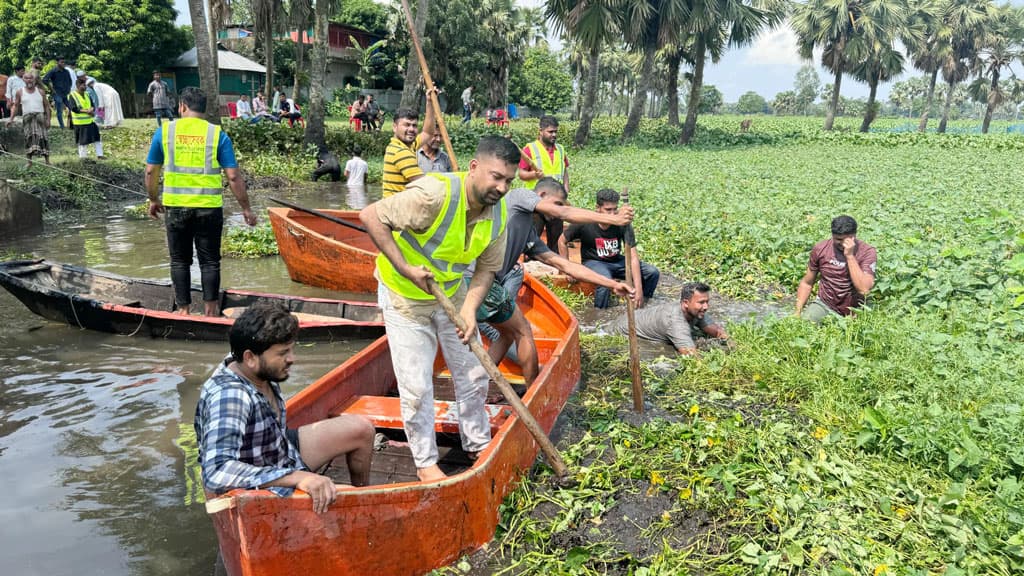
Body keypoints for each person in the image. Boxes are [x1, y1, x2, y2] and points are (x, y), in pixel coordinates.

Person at [358, 135, 519, 482]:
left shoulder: (499, 212)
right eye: (496, 177)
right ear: (474, 167)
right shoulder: (434, 194)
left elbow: (487, 269)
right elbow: (370, 215)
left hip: (452, 291)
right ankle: (425, 462)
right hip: (405, 297)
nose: (502, 187)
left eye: (509, 180)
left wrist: (470, 311)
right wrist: (405, 268)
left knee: (474, 371)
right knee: (416, 384)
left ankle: (476, 442)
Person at [195, 300, 374, 514]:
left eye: (291, 349)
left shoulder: (252, 365)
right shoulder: (231, 396)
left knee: (361, 429)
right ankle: (360, 507)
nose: (292, 359)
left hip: (278, 452)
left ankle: (367, 495)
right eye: (282, 353)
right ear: (250, 358)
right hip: (254, 486)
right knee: (346, 503)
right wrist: (299, 478)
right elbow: (216, 472)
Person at [476, 177, 636, 383]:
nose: (558, 209)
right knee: (522, 330)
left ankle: (480, 384)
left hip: (489, 285)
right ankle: (535, 389)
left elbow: (565, 265)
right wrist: (615, 219)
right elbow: (564, 213)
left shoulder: (530, 236)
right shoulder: (520, 196)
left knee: (507, 334)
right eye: (557, 203)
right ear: (542, 196)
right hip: (476, 278)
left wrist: (613, 284)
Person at [144, 86, 258, 317]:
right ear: (204, 110)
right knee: (210, 261)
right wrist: (246, 209)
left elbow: (150, 172)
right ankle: (211, 311)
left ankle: (184, 310)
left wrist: (154, 199)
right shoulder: (217, 134)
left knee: (179, 260)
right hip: (209, 209)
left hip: (176, 207)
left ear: (182, 106)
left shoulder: (165, 132)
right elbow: (233, 176)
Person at [559, 188, 659, 309]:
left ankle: (642, 305)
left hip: (616, 261)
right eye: (608, 210)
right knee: (605, 280)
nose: (612, 214)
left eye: (614, 210)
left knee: (652, 273)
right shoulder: (585, 222)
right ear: (598, 208)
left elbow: (633, 258)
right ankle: (600, 312)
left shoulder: (622, 224)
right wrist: (567, 268)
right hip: (594, 262)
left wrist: (638, 290)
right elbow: (562, 241)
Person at [610, 282, 729, 356]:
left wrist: (732, 344)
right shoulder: (675, 322)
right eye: (702, 302)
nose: (706, 307)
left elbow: (718, 332)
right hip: (620, 330)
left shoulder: (696, 311)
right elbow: (691, 356)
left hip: (638, 317)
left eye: (707, 302)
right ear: (686, 303)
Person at [795, 215, 877, 322]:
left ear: (854, 236)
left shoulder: (867, 252)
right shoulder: (821, 249)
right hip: (826, 304)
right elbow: (807, 283)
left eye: (846, 240)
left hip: (856, 308)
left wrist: (850, 256)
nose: (842, 244)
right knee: (805, 323)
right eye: (838, 239)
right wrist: (797, 311)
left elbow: (864, 289)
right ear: (832, 235)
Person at [518, 116, 569, 252]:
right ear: (541, 131)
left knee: (556, 238)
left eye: (555, 132)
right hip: (536, 203)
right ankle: (530, 265)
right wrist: (534, 175)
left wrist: (565, 189)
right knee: (532, 238)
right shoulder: (530, 149)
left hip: (556, 202)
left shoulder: (561, 150)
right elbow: (521, 174)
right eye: (550, 132)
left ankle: (555, 265)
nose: (554, 135)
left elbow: (564, 171)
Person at [382, 103, 436, 198]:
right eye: (407, 125)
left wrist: (429, 103)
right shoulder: (401, 152)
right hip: (397, 209)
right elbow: (424, 184)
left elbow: (428, 132)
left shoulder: (407, 145)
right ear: (395, 127)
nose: (411, 129)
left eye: (414, 125)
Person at [10, 71, 51, 167]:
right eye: (26, 78)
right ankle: (29, 162)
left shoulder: (40, 91)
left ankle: (47, 161)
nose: (29, 80)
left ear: (34, 80)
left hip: (40, 118)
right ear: (23, 80)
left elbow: (46, 106)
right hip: (27, 118)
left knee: (43, 138)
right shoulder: (20, 92)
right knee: (28, 138)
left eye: (31, 78)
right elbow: (16, 106)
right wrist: (11, 119)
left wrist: (48, 120)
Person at [68, 77, 103, 159]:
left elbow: (92, 105)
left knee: (97, 138)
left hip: (90, 120)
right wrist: (86, 111)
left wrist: (92, 109)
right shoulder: (72, 95)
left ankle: (100, 155)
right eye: (83, 85)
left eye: (85, 85)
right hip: (80, 123)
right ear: (78, 85)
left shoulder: (87, 94)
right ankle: (83, 158)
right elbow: (74, 108)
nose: (85, 87)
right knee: (82, 142)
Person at [42, 57, 72, 129]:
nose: (63, 64)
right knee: (59, 111)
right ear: (57, 62)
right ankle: (62, 127)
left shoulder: (66, 71)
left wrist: (68, 89)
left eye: (64, 62)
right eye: (61, 62)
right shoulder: (53, 71)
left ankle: (71, 125)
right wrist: (52, 89)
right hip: (57, 93)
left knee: (72, 108)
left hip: (65, 94)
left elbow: (70, 81)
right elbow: (45, 80)